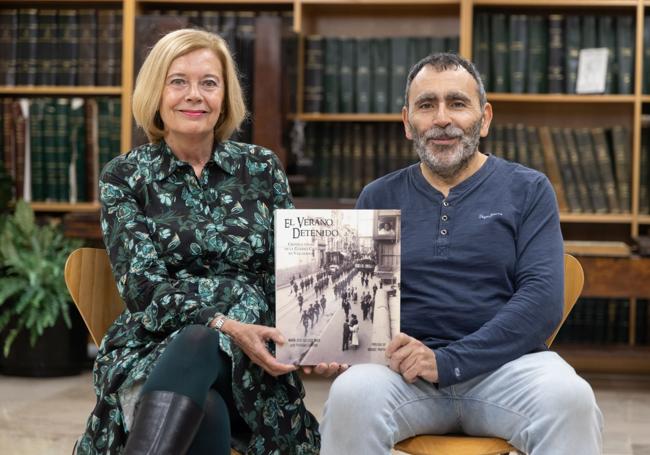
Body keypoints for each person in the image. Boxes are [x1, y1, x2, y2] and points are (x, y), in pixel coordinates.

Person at [317, 53, 603, 454]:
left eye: (457, 103)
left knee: (571, 399)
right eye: (426, 105)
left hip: (508, 368)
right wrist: (341, 346)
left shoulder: (529, 190)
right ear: (407, 121)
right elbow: (359, 311)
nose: (441, 119)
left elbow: (542, 301)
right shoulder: (377, 196)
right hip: (404, 375)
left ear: (484, 118)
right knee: (351, 395)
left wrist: (448, 361)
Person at [75, 29, 319, 455]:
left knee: (201, 347)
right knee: (202, 382)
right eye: (178, 82)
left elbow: (294, 274)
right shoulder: (125, 176)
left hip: (256, 360)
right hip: (156, 348)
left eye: (209, 82)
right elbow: (144, 290)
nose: (194, 95)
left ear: (225, 96)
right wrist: (224, 323)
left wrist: (319, 338)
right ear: (156, 92)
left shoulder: (262, 168)